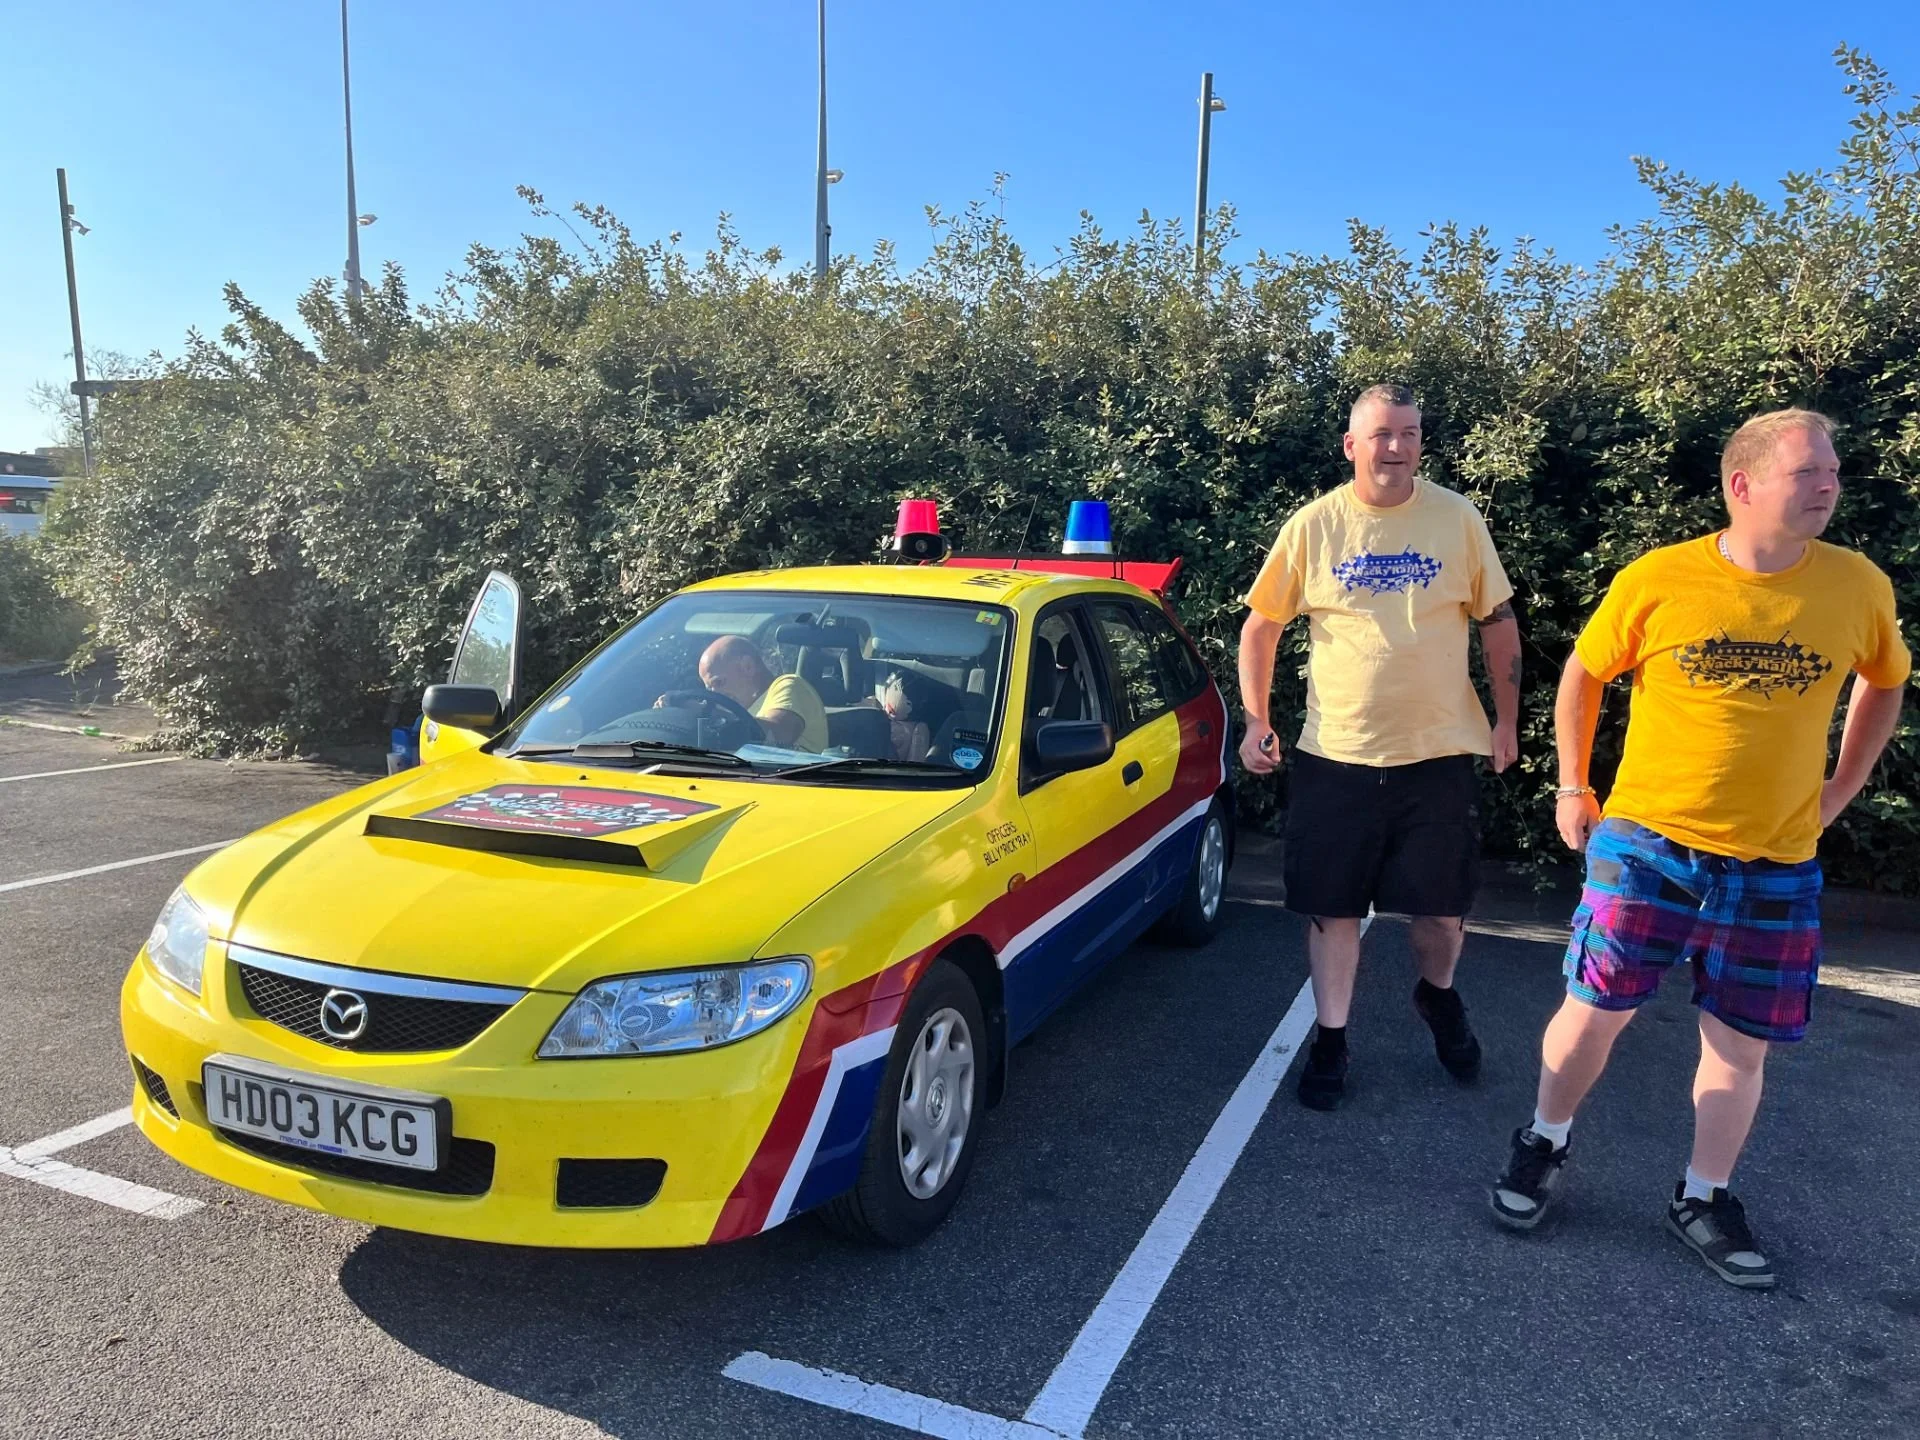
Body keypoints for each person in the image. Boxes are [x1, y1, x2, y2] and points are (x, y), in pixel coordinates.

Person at [1489, 409, 1909, 1290]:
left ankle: (1703, 1196)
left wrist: (1840, 789)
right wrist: (1572, 784)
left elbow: (1885, 681)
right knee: (1593, 1012)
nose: (1830, 484)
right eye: (1808, 472)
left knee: (1740, 1044)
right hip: (1647, 844)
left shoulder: (1858, 586)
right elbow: (1584, 673)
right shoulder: (1661, 578)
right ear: (1743, 485)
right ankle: (1544, 1141)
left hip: (1778, 859)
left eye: (1832, 470)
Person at [1239, 384, 1522, 1110]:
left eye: (1409, 432)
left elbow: (1497, 623)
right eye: (1381, 434)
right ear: (1351, 445)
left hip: (1437, 755)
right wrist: (1255, 718)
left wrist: (1506, 721)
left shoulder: (1457, 519)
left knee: (1440, 912)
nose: (1396, 446)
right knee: (1332, 911)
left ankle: (1438, 995)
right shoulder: (1315, 526)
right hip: (1336, 755)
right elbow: (1261, 627)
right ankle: (1331, 1040)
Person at [696, 635, 829, 752]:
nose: (715, 695)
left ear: (748, 666)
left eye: (719, 683)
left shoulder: (789, 685)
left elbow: (778, 735)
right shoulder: (746, 709)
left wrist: (714, 718)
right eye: (709, 689)